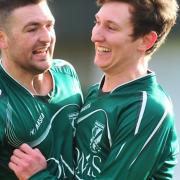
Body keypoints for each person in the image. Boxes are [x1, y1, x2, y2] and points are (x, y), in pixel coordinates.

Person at [9, 0, 179, 179]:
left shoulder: (146, 108)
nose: (95, 36)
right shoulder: (93, 94)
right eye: (97, 22)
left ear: (146, 40)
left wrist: (38, 176)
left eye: (111, 27)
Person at [0, 0, 83, 180]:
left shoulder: (66, 72)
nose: (46, 37)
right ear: (2, 39)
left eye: (49, 25)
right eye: (32, 29)